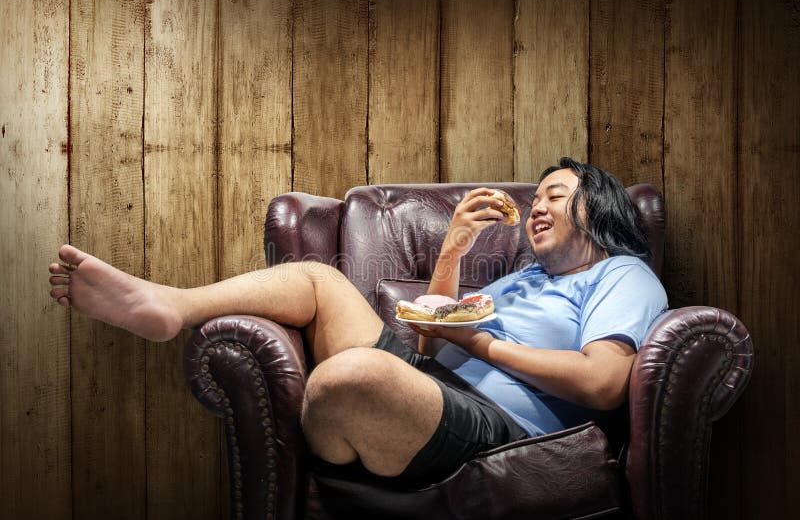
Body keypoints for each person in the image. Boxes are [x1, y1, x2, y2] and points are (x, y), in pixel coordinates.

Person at [47, 157, 667, 486]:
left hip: (504, 423)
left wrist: (478, 341)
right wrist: (452, 249)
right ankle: (170, 306)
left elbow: (604, 383)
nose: (538, 207)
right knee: (320, 279)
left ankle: (342, 411)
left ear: (600, 207)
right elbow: (429, 331)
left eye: (556, 195)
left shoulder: (622, 276)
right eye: (536, 198)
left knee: (355, 376)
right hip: (433, 383)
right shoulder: (521, 279)